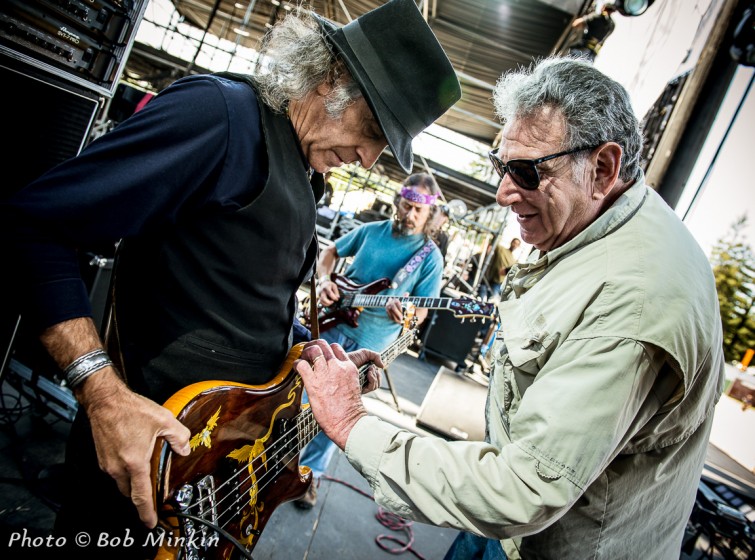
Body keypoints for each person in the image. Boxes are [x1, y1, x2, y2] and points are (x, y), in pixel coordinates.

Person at [0, 0, 460, 556]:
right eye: (373, 130)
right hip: (142, 464)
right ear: (330, 79)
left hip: (218, 470)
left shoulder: (301, 167)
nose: (367, 159)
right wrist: (102, 394)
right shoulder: (220, 116)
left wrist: (308, 356)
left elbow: (241, 300)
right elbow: (36, 225)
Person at [293, 56, 725, 559]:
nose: (502, 193)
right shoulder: (586, 234)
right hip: (504, 529)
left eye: (524, 171)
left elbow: (523, 490)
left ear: (602, 169)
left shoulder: (636, 299)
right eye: (503, 167)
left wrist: (351, 423)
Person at [295, 172, 445, 509]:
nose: (408, 213)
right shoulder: (373, 230)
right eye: (405, 205)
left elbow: (419, 312)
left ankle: (309, 474)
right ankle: (275, 464)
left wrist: (405, 315)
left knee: (335, 414)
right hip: (332, 327)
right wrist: (323, 282)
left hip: (368, 346)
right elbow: (331, 252)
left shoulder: (429, 257)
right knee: (297, 397)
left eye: (416, 211)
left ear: (429, 215)